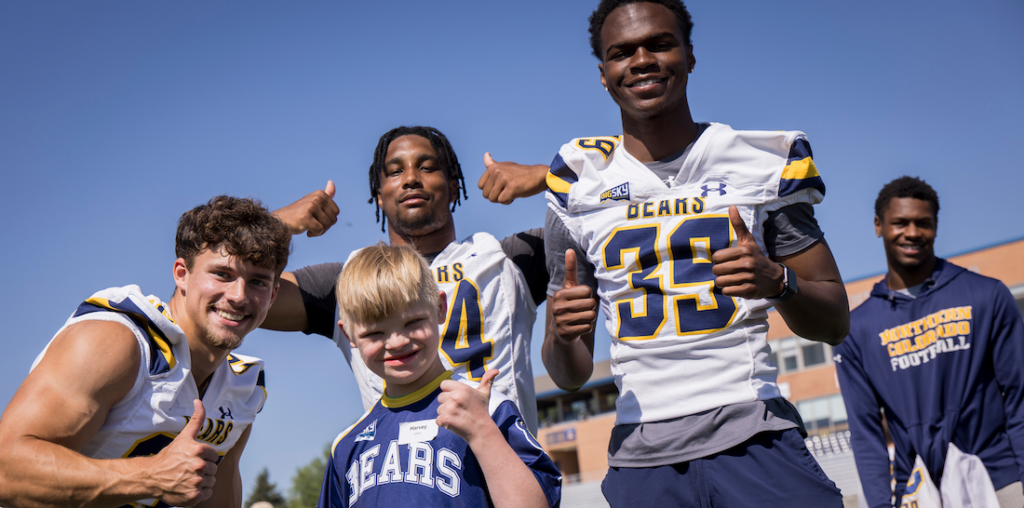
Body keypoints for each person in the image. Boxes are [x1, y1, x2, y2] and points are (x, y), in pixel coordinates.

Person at [542, 0, 850, 505]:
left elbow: (834, 322)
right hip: (643, 451)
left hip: (752, 431)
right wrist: (560, 332)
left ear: (689, 55)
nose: (641, 60)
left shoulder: (759, 163)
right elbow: (569, 374)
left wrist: (778, 283)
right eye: (622, 52)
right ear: (603, 74)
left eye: (659, 44)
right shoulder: (577, 183)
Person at [0, 196, 290, 508]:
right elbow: (6, 470)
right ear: (181, 274)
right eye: (222, 274)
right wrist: (149, 477)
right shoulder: (118, 341)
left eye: (258, 282)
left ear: (273, 295)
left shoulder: (242, 389)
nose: (238, 296)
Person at [266, 126, 551, 432]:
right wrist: (272, 226)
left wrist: (551, 176)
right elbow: (234, 297)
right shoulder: (349, 281)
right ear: (378, 196)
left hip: (503, 466)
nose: (412, 178)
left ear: (454, 187)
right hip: (404, 471)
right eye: (395, 171)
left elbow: (602, 232)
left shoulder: (507, 259)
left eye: (427, 167)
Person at [317, 243, 561, 508]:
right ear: (348, 334)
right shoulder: (347, 445)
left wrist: (483, 433)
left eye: (412, 322)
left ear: (440, 307)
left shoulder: (486, 409)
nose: (397, 341)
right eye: (375, 333)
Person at [834, 176, 1024, 508]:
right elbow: (866, 433)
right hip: (918, 490)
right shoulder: (857, 329)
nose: (912, 232)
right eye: (900, 222)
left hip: (999, 478)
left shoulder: (986, 295)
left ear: (936, 226)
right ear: (879, 225)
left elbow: (1019, 396)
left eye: (923, 223)